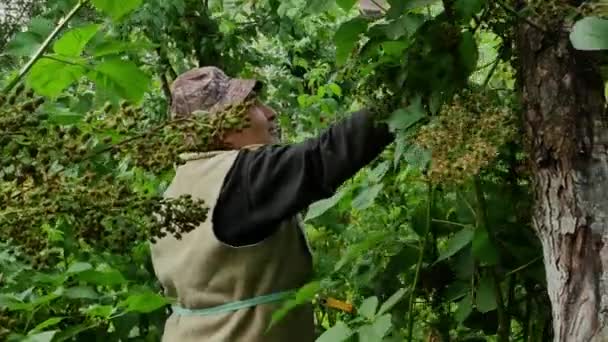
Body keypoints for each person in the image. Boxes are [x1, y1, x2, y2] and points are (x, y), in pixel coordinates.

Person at [150, 66, 394, 342]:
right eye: (252, 105)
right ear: (220, 126)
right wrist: (399, 97)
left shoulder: (179, 189)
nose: (269, 112)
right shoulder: (242, 178)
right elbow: (323, 158)